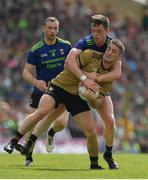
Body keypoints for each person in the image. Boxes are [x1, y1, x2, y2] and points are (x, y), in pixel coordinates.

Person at [4, 39, 124, 170]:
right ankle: (14, 142)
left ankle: (94, 165)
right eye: (109, 49)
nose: (109, 52)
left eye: (114, 51)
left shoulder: (109, 78)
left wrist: (90, 96)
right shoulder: (90, 54)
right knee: (42, 112)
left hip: (76, 96)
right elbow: (69, 65)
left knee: (90, 130)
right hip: (59, 86)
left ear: (118, 57)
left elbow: (98, 102)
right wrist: (87, 77)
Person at [46, 14, 122, 169]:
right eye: (93, 30)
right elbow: (69, 62)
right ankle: (50, 134)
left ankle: (108, 154)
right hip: (76, 85)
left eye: (99, 31)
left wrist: (98, 79)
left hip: (98, 89)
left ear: (107, 31)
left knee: (110, 121)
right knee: (59, 123)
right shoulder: (85, 42)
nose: (95, 34)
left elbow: (117, 72)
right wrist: (86, 78)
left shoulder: (111, 45)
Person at [4, 16, 72, 166]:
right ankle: (28, 157)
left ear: (58, 29)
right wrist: (36, 81)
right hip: (41, 91)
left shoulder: (66, 46)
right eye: (50, 28)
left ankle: (51, 133)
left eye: (55, 28)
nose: (53, 31)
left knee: (61, 123)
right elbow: (26, 72)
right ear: (44, 28)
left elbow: (72, 65)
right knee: (33, 123)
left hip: (62, 90)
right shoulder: (36, 50)